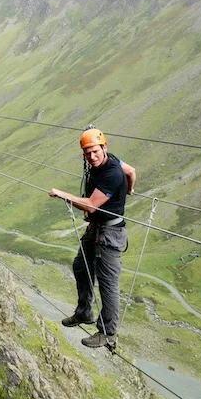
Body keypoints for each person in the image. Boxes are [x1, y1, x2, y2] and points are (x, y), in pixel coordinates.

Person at [48, 127, 136, 351]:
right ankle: (84, 312)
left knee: (108, 284)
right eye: (87, 153)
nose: (91, 156)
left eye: (95, 151)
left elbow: (90, 205)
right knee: (81, 266)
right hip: (96, 228)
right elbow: (132, 171)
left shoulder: (112, 173)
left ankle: (108, 333)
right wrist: (130, 189)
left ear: (104, 148)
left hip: (110, 234)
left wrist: (62, 194)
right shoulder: (112, 161)